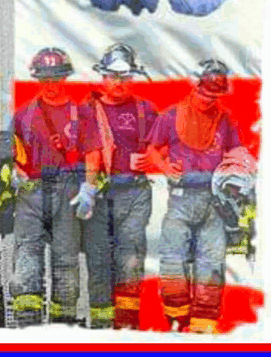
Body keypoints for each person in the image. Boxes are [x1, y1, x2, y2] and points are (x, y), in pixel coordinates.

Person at [146, 59, 242, 334]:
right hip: (180, 199)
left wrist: (233, 184)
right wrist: (165, 166)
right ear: (194, 85)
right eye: (205, 93)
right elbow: (153, 150)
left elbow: (237, 155)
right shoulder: (171, 115)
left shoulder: (225, 121)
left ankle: (204, 325)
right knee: (172, 259)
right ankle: (177, 318)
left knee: (211, 263)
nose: (209, 99)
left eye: (215, 95)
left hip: (215, 202)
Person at [73, 44, 158, 329]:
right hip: (100, 194)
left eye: (124, 77)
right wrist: (87, 188)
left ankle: (127, 328)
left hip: (135, 193)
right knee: (98, 263)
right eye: (112, 76)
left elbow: (165, 147)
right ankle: (100, 330)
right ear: (102, 77)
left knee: (130, 260)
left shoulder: (146, 110)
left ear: (133, 77)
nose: (118, 83)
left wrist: (155, 160)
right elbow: (91, 151)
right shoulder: (88, 110)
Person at [10, 47, 95, 326]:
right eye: (44, 79)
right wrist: (12, 173)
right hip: (31, 191)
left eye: (55, 78)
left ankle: (63, 328)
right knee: (26, 256)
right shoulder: (23, 116)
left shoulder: (80, 114)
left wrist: (89, 188)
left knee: (66, 261)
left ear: (65, 78)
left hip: (66, 188)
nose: (50, 85)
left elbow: (93, 152)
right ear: (37, 79)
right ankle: (27, 325)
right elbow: (12, 152)